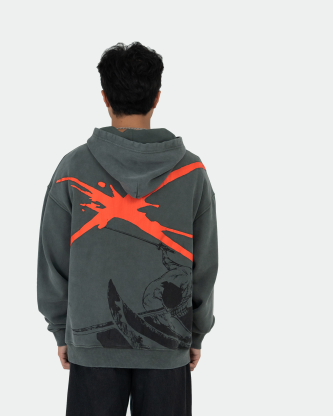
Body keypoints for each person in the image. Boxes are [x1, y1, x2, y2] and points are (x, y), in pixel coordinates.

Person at [37, 41, 219, 416]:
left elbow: (53, 258)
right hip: (168, 344)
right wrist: (197, 331)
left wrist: (60, 327)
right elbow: (204, 263)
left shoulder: (72, 168)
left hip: (92, 341)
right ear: (157, 97)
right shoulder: (192, 173)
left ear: (105, 97)